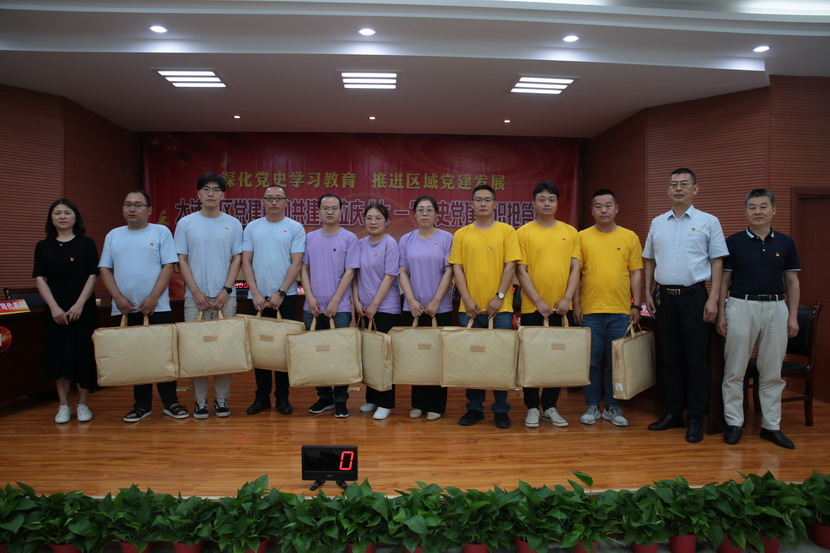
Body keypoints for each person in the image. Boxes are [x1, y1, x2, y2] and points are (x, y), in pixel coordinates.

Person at [643, 167, 728, 443]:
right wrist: (647, 292)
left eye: (684, 184)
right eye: (673, 184)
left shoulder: (709, 221)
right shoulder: (658, 222)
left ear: (695, 189)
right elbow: (649, 260)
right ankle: (673, 413)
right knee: (669, 359)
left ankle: (695, 419)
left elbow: (717, 262)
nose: (678, 188)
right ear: (668, 190)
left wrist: (713, 298)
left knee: (696, 361)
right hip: (664, 298)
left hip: (695, 298)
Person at [717, 189, 800, 449]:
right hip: (740, 306)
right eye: (752, 207)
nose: (758, 212)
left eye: (763, 206)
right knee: (734, 370)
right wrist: (720, 313)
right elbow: (724, 281)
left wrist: (793, 316)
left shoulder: (786, 243)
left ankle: (771, 426)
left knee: (772, 371)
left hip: (776, 307)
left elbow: (792, 282)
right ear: (745, 212)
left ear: (774, 210)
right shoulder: (733, 242)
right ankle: (734, 423)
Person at [99, 190, 188, 422]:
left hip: (157, 307)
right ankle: (141, 405)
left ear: (149, 210)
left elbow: (168, 266)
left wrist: (153, 297)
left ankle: (171, 402)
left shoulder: (160, 232)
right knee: (136, 358)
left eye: (138, 205)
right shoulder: (114, 235)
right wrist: (117, 298)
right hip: (126, 309)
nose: (132, 209)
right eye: (127, 204)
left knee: (163, 355)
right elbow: (105, 269)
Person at [449, 184, 521, 429]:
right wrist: (467, 299)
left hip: (501, 310)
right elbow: (457, 268)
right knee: (473, 361)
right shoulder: (462, 234)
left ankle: (501, 409)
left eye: (487, 200)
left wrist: (499, 297)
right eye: (478, 199)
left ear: (494, 204)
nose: (482, 203)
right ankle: (474, 408)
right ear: (471, 204)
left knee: (501, 360)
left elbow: (510, 266)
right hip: (469, 310)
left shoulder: (507, 231)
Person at [174, 172, 243, 419]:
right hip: (195, 298)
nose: (210, 194)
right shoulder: (186, 223)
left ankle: (222, 399)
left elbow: (237, 258)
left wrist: (226, 289)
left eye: (216, 189)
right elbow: (181, 259)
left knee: (225, 349)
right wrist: (195, 291)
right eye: (206, 189)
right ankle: (200, 401)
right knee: (197, 350)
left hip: (226, 297)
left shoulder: (233, 224)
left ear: (223, 195)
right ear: (198, 193)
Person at [574, 189, 643, 427]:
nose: (604, 210)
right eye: (599, 206)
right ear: (592, 210)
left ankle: (613, 406)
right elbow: (575, 273)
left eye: (608, 205)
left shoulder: (629, 237)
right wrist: (576, 304)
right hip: (590, 311)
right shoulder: (582, 237)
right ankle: (592, 405)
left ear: (616, 208)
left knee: (616, 363)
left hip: (621, 311)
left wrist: (636, 304)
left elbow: (636, 273)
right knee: (591, 362)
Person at [515, 181, 579, 428]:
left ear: (557, 203)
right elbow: (521, 271)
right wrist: (538, 301)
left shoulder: (570, 232)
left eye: (551, 199)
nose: (546, 203)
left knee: (556, 359)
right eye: (541, 199)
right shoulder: (523, 233)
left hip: (562, 309)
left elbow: (575, 269)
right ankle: (532, 406)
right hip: (533, 308)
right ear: (534, 203)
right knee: (530, 358)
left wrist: (567, 299)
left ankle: (550, 406)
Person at [33, 199, 99, 424]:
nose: (62, 216)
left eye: (67, 212)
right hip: (55, 311)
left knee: (83, 354)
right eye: (57, 213)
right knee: (57, 355)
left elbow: (93, 275)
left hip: (82, 309)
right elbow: (40, 278)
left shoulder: (86, 243)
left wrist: (79, 304)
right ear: (51, 218)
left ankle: (83, 404)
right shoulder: (43, 246)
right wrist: (53, 307)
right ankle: (63, 404)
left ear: (75, 217)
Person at [241, 185, 305, 416]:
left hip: (285, 298)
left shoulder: (295, 228)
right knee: (261, 349)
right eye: (269, 198)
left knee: (282, 349)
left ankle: (283, 397)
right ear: (263, 201)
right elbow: (246, 261)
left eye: (278, 198)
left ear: (286, 201)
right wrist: (255, 293)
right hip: (257, 299)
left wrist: (281, 292)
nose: (274, 202)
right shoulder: (252, 227)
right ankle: (262, 397)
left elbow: (296, 263)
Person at [301, 193, 359, 418]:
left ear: (341, 211)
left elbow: (350, 271)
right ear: (319, 211)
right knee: (317, 355)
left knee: (341, 355)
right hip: (312, 307)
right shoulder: (310, 237)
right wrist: (310, 297)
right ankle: (324, 397)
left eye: (334, 208)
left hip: (340, 307)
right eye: (325, 208)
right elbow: (304, 269)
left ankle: (341, 399)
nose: (330, 212)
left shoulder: (349, 238)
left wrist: (335, 300)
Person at [398, 195, 453, 421]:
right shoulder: (406, 239)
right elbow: (402, 271)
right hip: (413, 308)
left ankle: (436, 405)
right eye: (420, 210)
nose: (424, 214)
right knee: (416, 356)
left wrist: (436, 300)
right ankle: (418, 403)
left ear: (436, 214)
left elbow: (449, 271)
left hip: (440, 308)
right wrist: (410, 299)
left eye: (429, 210)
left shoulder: (446, 238)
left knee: (437, 357)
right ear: (414, 214)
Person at [353, 204, 401, 420]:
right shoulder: (360, 244)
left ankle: (385, 402)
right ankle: (371, 398)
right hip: (363, 309)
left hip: (385, 309)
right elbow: (354, 275)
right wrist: (356, 301)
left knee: (384, 357)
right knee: (369, 356)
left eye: (378, 218)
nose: (373, 222)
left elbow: (389, 277)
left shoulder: (390, 244)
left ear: (387, 222)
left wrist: (374, 304)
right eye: (369, 218)